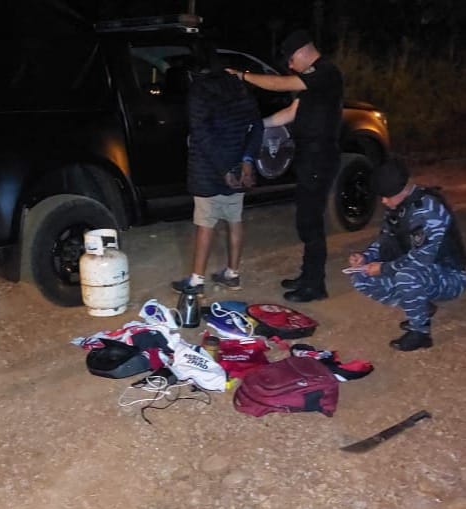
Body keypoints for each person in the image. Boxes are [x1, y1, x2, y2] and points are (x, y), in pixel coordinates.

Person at [227, 29, 343, 302]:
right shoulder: (312, 81)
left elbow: (281, 84)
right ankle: (308, 275)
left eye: (291, 60)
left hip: (320, 157)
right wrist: (257, 126)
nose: (290, 66)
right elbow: (291, 113)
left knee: (310, 222)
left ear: (302, 52)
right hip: (309, 157)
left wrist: (243, 76)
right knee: (306, 220)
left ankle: (315, 286)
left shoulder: (326, 73)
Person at [347, 157, 466, 351]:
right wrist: (366, 257)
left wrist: (384, 268)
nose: (383, 201)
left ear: (402, 190)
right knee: (361, 277)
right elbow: (386, 239)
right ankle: (422, 306)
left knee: (407, 275)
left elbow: (421, 258)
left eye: (387, 196)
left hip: (451, 275)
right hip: (425, 270)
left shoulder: (428, 209)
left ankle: (420, 333)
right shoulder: (399, 205)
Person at [171, 64, 263, 295]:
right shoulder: (241, 88)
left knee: (205, 222)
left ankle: (196, 281)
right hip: (238, 165)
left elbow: (202, 135)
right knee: (235, 220)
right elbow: (257, 126)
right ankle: (232, 274)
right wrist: (247, 160)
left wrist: (223, 170)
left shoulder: (199, 91)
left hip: (208, 169)